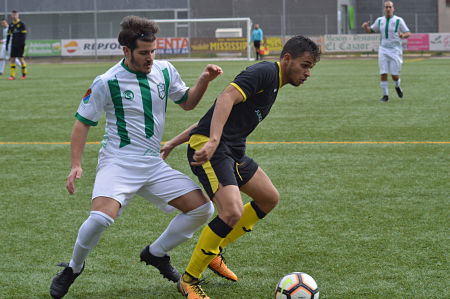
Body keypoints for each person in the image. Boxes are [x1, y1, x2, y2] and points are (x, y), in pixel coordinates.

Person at [49, 15, 223, 299]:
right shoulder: (107, 81)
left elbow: (188, 103)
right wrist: (76, 165)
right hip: (117, 163)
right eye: (144, 52)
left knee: (202, 209)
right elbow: (82, 122)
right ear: (126, 51)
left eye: (153, 51)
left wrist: (204, 79)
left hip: (152, 164)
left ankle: (156, 253)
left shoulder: (165, 71)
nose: (150, 58)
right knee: (99, 220)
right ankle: (73, 267)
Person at [162, 35, 320, 299]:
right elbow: (225, 98)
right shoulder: (265, 71)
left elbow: (209, 116)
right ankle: (189, 280)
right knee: (232, 211)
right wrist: (212, 141)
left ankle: (214, 251)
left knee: (269, 198)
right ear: (287, 59)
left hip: (232, 150)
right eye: (305, 65)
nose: (307, 73)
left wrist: (174, 142)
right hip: (214, 149)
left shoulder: (273, 84)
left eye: (310, 68)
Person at [362, 1, 410, 102]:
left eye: (390, 7)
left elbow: (408, 33)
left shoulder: (399, 20)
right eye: (386, 7)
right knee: (383, 73)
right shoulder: (380, 20)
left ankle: (397, 86)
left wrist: (403, 35)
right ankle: (385, 95)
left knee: (394, 75)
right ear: (384, 9)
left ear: (393, 9)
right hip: (383, 49)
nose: (388, 9)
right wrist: (366, 27)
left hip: (395, 50)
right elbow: (371, 30)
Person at [5, 10, 27, 80]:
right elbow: (8, 35)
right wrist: (7, 44)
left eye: (15, 15)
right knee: (12, 59)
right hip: (13, 44)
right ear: (11, 16)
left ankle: (24, 74)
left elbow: (24, 35)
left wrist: (22, 43)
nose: (14, 16)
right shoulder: (11, 25)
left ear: (18, 15)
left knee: (21, 59)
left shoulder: (22, 24)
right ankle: (12, 76)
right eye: (13, 15)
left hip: (20, 44)